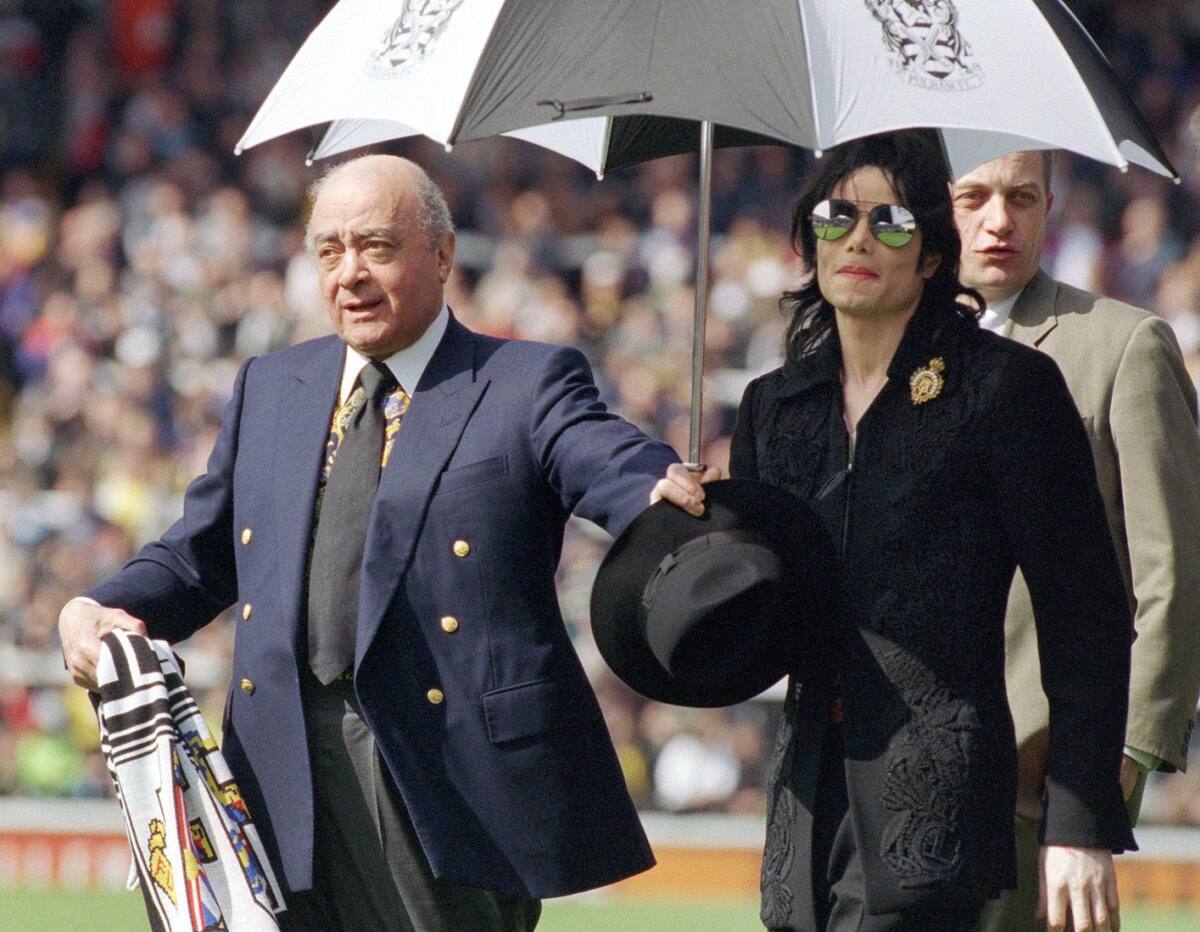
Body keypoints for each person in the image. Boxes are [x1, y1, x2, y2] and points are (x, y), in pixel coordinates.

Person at [58, 154, 679, 932]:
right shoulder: (272, 386)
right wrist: (97, 605)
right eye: (329, 250)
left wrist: (662, 492)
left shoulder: (525, 380)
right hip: (274, 774)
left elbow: (608, 462)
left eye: (377, 246)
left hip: (444, 782)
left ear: (444, 254)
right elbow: (201, 554)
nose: (349, 273)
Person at [655, 131, 1134, 931]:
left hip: (938, 802)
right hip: (803, 806)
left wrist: (1079, 823)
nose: (861, 239)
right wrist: (690, 547)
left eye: (894, 222)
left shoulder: (1007, 388)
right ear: (809, 240)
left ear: (934, 254)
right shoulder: (774, 407)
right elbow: (763, 634)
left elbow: (1084, 613)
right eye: (837, 217)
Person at [951, 150, 1200, 932]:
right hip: (899, 774)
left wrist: (1123, 757)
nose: (1000, 220)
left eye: (1022, 197)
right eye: (975, 197)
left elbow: (1175, 569)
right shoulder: (884, 355)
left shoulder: (1124, 345)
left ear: (1050, 206)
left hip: (1044, 770)